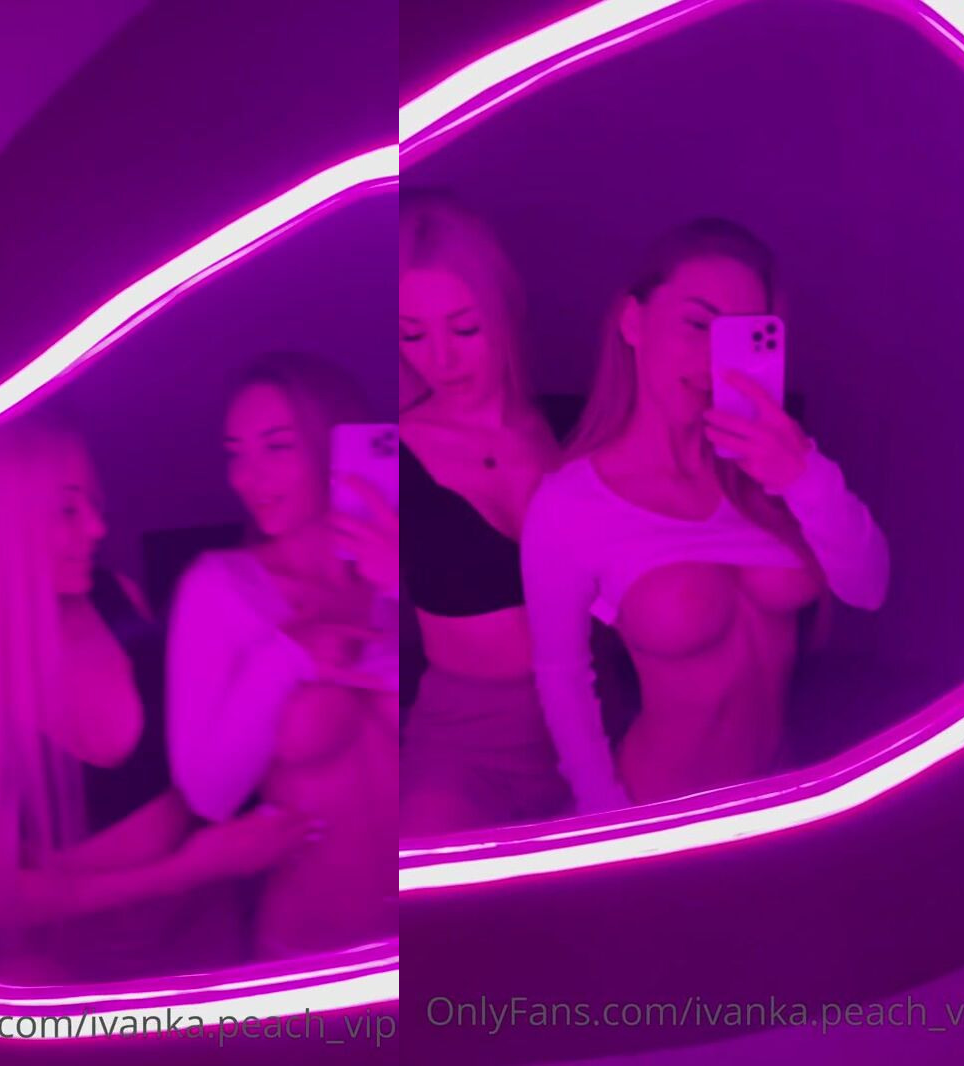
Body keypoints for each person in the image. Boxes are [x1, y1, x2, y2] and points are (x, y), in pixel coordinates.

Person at [0, 415, 311, 981]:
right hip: (69, 965)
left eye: (93, 503)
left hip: (203, 930)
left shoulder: (118, 600)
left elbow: (204, 751)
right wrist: (192, 868)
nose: (97, 527)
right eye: (67, 509)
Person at [522, 219, 890, 813]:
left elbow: (868, 588)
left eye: (742, 336)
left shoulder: (779, 468)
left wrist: (803, 476)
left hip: (781, 795)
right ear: (633, 322)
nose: (714, 359)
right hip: (660, 812)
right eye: (697, 325)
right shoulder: (572, 503)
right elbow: (562, 677)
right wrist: (606, 816)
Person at [168, 353, 400, 959]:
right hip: (313, 944)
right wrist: (287, 658)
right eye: (235, 453)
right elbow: (209, 794)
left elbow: (470, 719)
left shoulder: (402, 567)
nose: (248, 477)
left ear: (335, 444)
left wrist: (406, 584)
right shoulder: (220, 589)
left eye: (276, 447)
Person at [397, 192, 572, 835]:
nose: (440, 360)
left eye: (464, 329)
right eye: (412, 335)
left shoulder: (572, 429)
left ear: (503, 311)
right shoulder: (396, 455)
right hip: (465, 741)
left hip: (593, 717)